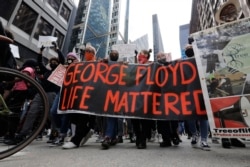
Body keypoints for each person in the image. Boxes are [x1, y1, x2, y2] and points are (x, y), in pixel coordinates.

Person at [13, 43, 65, 144]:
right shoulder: (45, 71)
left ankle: (54, 135)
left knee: (52, 115)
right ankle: (23, 134)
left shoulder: (59, 71)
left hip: (52, 94)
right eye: (52, 61)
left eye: (55, 61)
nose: (53, 62)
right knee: (32, 113)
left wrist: (57, 49)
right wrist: (41, 51)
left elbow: (62, 60)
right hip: (40, 94)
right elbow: (39, 62)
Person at [62, 45, 97, 149]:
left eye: (89, 51)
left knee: (82, 116)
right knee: (74, 116)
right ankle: (86, 131)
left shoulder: (98, 64)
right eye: (85, 52)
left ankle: (76, 140)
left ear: (93, 54)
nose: (86, 53)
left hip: (89, 94)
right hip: (78, 93)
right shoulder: (79, 65)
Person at [49, 52, 81, 146]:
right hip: (61, 91)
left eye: (72, 58)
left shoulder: (79, 68)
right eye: (69, 57)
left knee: (66, 114)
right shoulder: (63, 68)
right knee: (53, 111)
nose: (70, 59)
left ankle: (62, 135)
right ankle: (60, 129)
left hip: (72, 93)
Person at [184, 41, 211, 151]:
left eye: (191, 47)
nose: (189, 49)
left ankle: (204, 139)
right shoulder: (183, 63)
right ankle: (195, 134)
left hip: (202, 92)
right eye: (188, 48)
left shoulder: (202, 60)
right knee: (190, 117)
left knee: (204, 117)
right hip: (189, 92)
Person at [156, 52, 181, 147]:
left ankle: (174, 136)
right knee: (162, 121)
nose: (160, 58)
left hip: (171, 96)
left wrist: (179, 61)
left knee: (173, 118)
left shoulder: (171, 65)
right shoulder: (154, 67)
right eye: (158, 57)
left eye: (162, 56)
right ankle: (166, 139)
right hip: (160, 97)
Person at [101, 50, 124, 149]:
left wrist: (126, 66)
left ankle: (108, 137)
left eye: (116, 53)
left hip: (118, 94)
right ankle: (113, 137)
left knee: (112, 115)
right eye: (112, 52)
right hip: (106, 93)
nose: (114, 54)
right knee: (110, 115)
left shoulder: (121, 66)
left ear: (118, 56)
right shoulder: (105, 64)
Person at [131, 49, 153, 149]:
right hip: (134, 97)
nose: (141, 56)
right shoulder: (134, 66)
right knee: (134, 119)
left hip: (146, 97)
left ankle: (143, 140)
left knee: (145, 120)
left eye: (143, 55)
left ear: (147, 57)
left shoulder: (152, 66)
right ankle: (138, 137)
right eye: (140, 55)